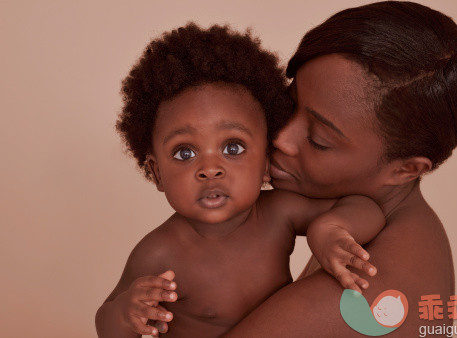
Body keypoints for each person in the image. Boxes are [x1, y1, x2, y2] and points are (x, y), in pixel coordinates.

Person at [95, 24, 386, 338]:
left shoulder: (279, 214)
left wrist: (330, 230)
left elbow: (368, 207)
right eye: (184, 153)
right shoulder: (159, 253)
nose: (210, 169)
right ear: (156, 173)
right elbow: (105, 324)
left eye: (232, 148)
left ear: (265, 163)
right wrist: (127, 314)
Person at [215, 1, 457, 337]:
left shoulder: (359, 297)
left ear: (406, 169)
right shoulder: (384, 222)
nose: (281, 138)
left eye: (318, 140)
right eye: (291, 100)